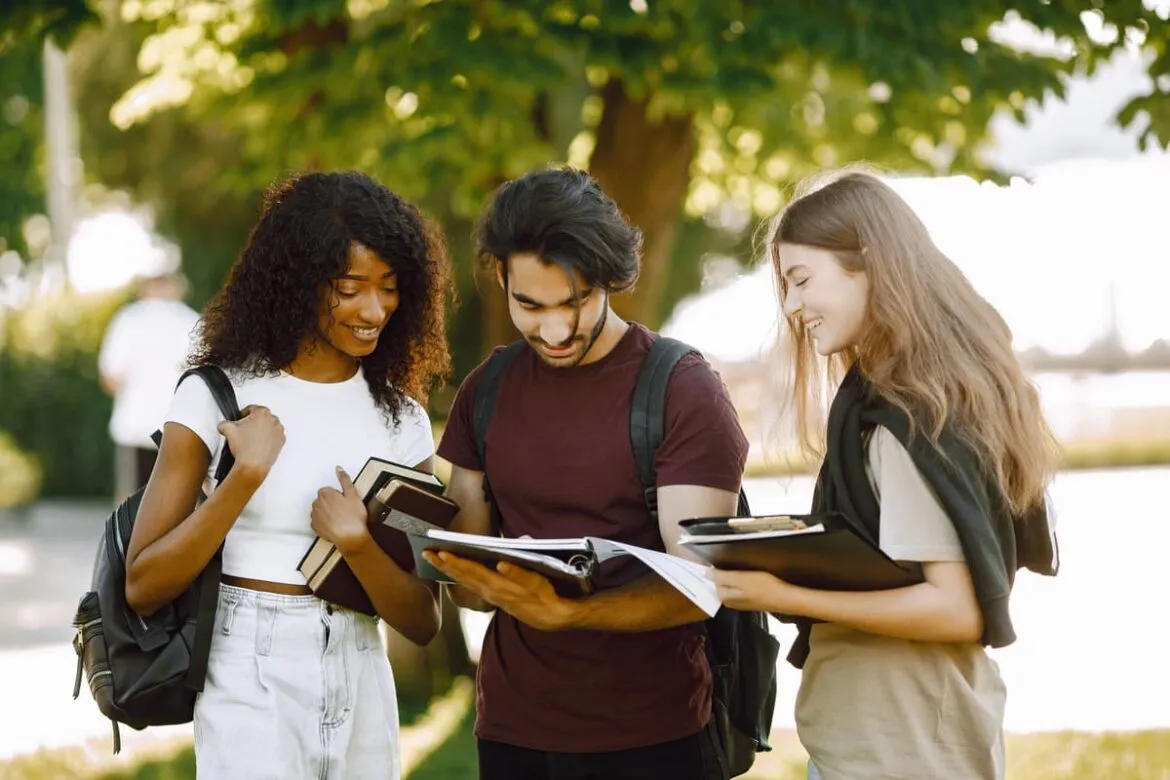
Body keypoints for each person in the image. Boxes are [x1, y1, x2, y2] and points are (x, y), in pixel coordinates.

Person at [710, 168, 1060, 780]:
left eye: (801, 280)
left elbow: (957, 609)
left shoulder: (906, 417)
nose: (792, 307)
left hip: (904, 747)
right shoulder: (928, 396)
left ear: (868, 263)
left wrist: (779, 593)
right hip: (896, 737)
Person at [122, 171, 454, 779]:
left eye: (389, 287)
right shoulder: (216, 395)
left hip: (362, 666)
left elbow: (422, 618)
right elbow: (143, 584)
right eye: (350, 288)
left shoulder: (401, 419)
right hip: (249, 663)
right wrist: (241, 480)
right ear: (300, 282)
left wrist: (356, 544)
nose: (374, 309)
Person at [423, 166, 748, 780]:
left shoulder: (682, 389)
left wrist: (570, 613)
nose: (555, 329)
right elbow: (466, 587)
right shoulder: (484, 390)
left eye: (575, 302)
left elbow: (704, 585)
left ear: (609, 279)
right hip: (513, 733)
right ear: (500, 276)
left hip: (654, 736)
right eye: (530, 305)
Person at [98, 270, 200, 502]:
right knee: (177, 503)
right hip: (180, 428)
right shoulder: (192, 321)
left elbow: (110, 379)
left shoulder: (128, 319)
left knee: (131, 505)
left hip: (135, 429)